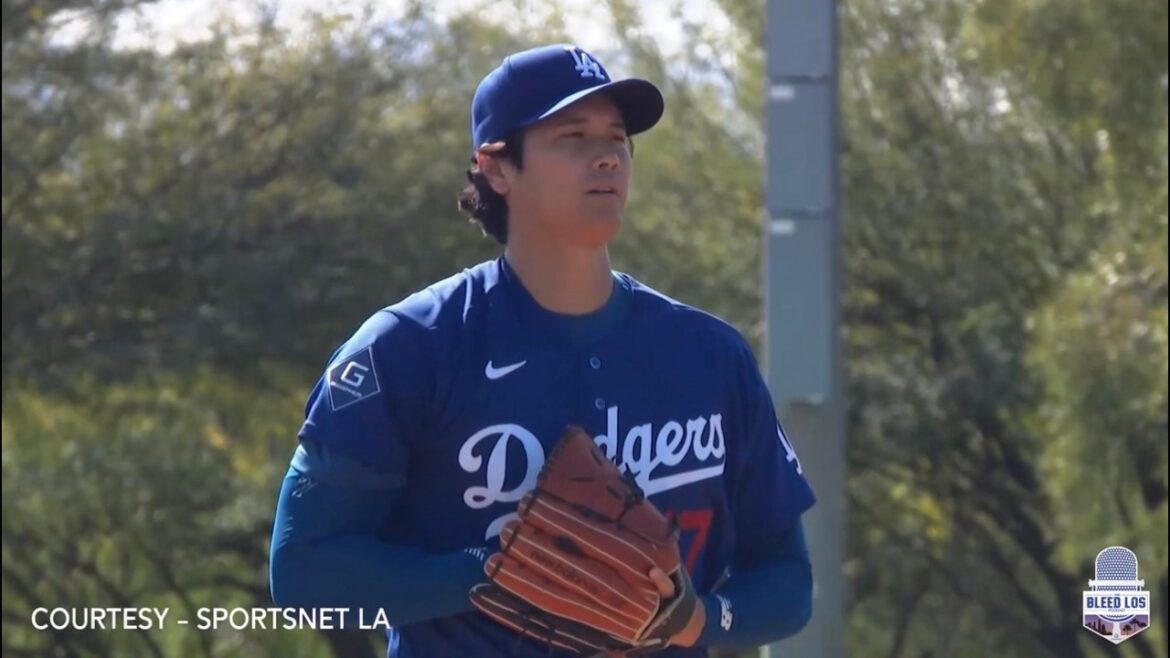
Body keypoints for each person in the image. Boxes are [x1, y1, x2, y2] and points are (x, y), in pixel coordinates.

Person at [269, 43, 816, 658]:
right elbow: (304, 575)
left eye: (617, 136)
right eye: (572, 136)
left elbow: (790, 580)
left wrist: (699, 619)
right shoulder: (409, 348)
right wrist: (489, 574)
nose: (606, 155)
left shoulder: (711, 357)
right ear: (497, 167)